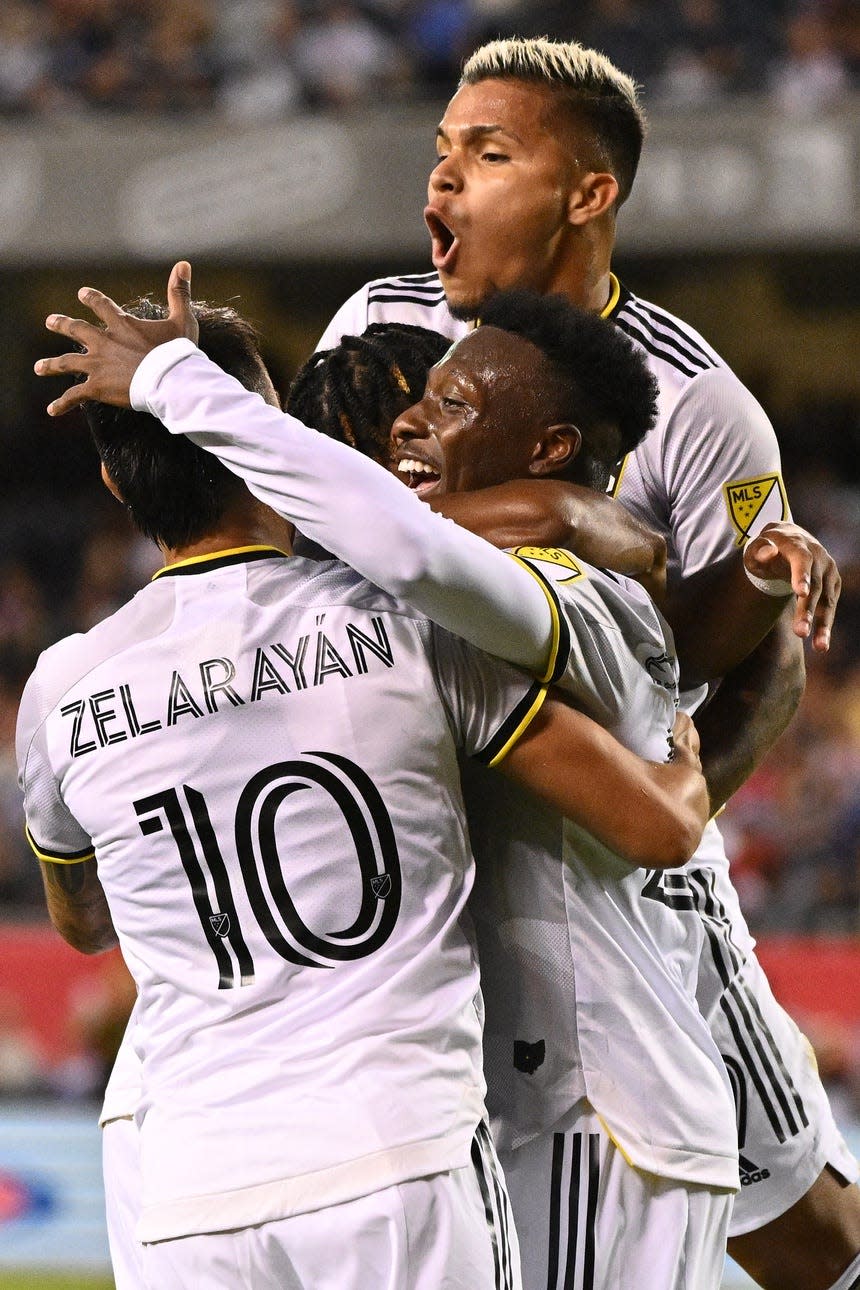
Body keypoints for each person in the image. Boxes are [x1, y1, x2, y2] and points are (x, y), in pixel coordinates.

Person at [37, 267, 844, 1284]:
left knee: (822, 1237)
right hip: (475, 1111)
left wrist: (177, 387)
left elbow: (418, 553)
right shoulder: (404, 623)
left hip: (582, 1100)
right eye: (409, 411)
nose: (412, 430)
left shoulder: (511, 596)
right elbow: (663, 792)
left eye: (445, 406)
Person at [310, 36, 859, 1290]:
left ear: (586, 193)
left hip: (617, 858)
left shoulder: (699, 406)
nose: (441, 181)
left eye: (487, 154)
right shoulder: (375, 321)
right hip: (432, 819)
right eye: (440, 151)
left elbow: (760, 664)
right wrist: (570, 518)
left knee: (805, 1234)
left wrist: (666, 810)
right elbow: (324, 525)